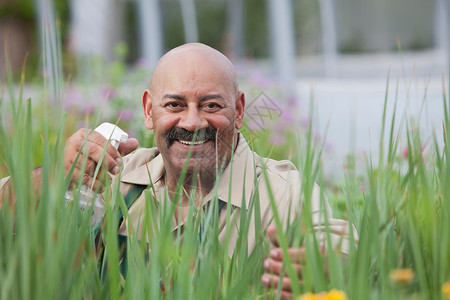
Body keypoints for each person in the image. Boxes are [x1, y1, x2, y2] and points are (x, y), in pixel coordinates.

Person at [0, 43, 355, 299]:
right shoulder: (110, 179)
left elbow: (344, 248)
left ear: (240, 109)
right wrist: (51, 177)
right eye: (175, 104)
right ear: (149, 110)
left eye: (211, 105)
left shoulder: (283, 191)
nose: (192, 121)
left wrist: (326, 268)